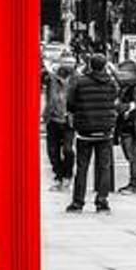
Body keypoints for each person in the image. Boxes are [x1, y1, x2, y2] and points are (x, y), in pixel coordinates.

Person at [65, 51, 118, 213]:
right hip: (105, 130)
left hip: (85, 131)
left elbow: (70, 103)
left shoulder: (80, 82)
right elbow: (115, 98)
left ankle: (78, 202)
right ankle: (102, 201)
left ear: (89, 65)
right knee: (104, 167)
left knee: (82, 167)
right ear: (104, 66)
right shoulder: (111, 83)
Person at [114, 57, 136, 194]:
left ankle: (135, 184)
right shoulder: (127, 87)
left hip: (132, 125)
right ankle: (133, 183)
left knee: (133, 155)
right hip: (125, 124)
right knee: (130, 155)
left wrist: (121, 107)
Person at [42, 58, 75, 186]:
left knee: (68, 150)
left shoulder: (75, 81)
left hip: (68, 121)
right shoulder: (51, 79)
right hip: (53, 119)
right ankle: (59, 174)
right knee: (52, 151)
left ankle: (67, 174)